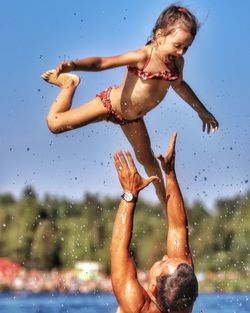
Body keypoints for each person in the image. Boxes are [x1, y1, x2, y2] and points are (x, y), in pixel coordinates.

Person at [41, 5, 219, 207]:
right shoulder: (144, 56)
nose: (180, 52)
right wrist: (74, 65)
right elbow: (102, 63)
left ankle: (169, 211)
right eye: (177, 45)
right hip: (108, 104)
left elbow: (179, 85)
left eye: (186, 48)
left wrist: (201, 111)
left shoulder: (177, 64)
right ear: (160, 36)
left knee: (149, 161)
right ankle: (69, 85)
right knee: (54, 124)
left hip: (132, 119)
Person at [111, 132, 198, 313]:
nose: (166, 257)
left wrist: (130, 192)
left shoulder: (136, 306)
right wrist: (170, 174)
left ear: (153, 289)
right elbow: (178, 228)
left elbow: (118, 246)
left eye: (161, 263)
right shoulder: (181, 288)